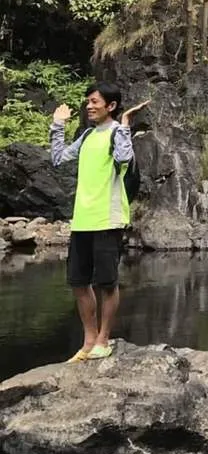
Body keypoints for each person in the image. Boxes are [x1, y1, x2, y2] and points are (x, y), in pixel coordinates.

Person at [49, 82, 148, 362]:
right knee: (79, 282)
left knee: (107, 283)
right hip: (82, 219)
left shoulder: (118, 133)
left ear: (111, 106)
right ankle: (89, 340)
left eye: (94, 101)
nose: (89, 106)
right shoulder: (88, 134)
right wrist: (58, 125)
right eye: (88, 102)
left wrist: (126, 125)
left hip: (108, 218)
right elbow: (58, 158)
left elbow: (124, 158)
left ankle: (104, 339)